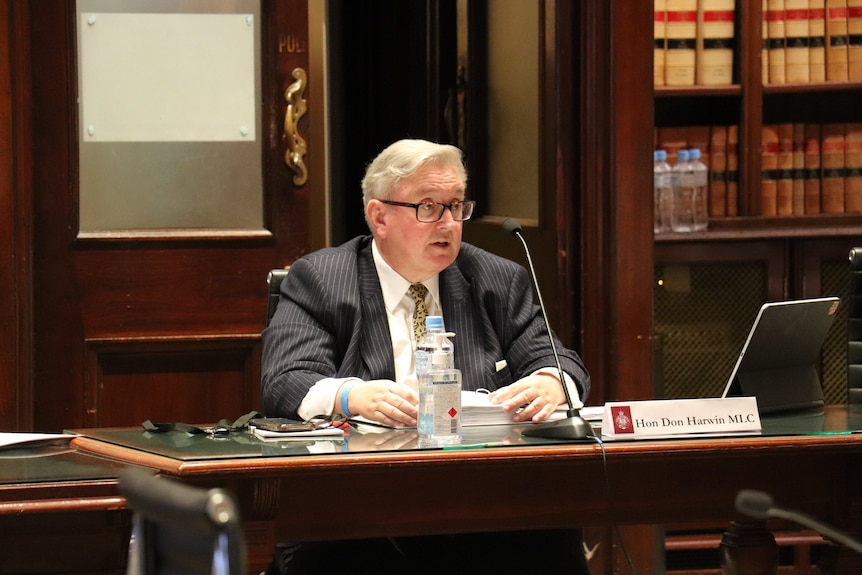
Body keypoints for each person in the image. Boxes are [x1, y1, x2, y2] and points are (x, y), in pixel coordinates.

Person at [261, 139, 592, 575]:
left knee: (549, 528)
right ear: (379, 217)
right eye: (429, 207)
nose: (449, 223)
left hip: (482, 498)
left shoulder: (494, 278)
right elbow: (285, 380)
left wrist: (552, 381)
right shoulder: (322, 278)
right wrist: (351, 397)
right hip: (361, 499)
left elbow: (559, 361)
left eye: (456, 206)